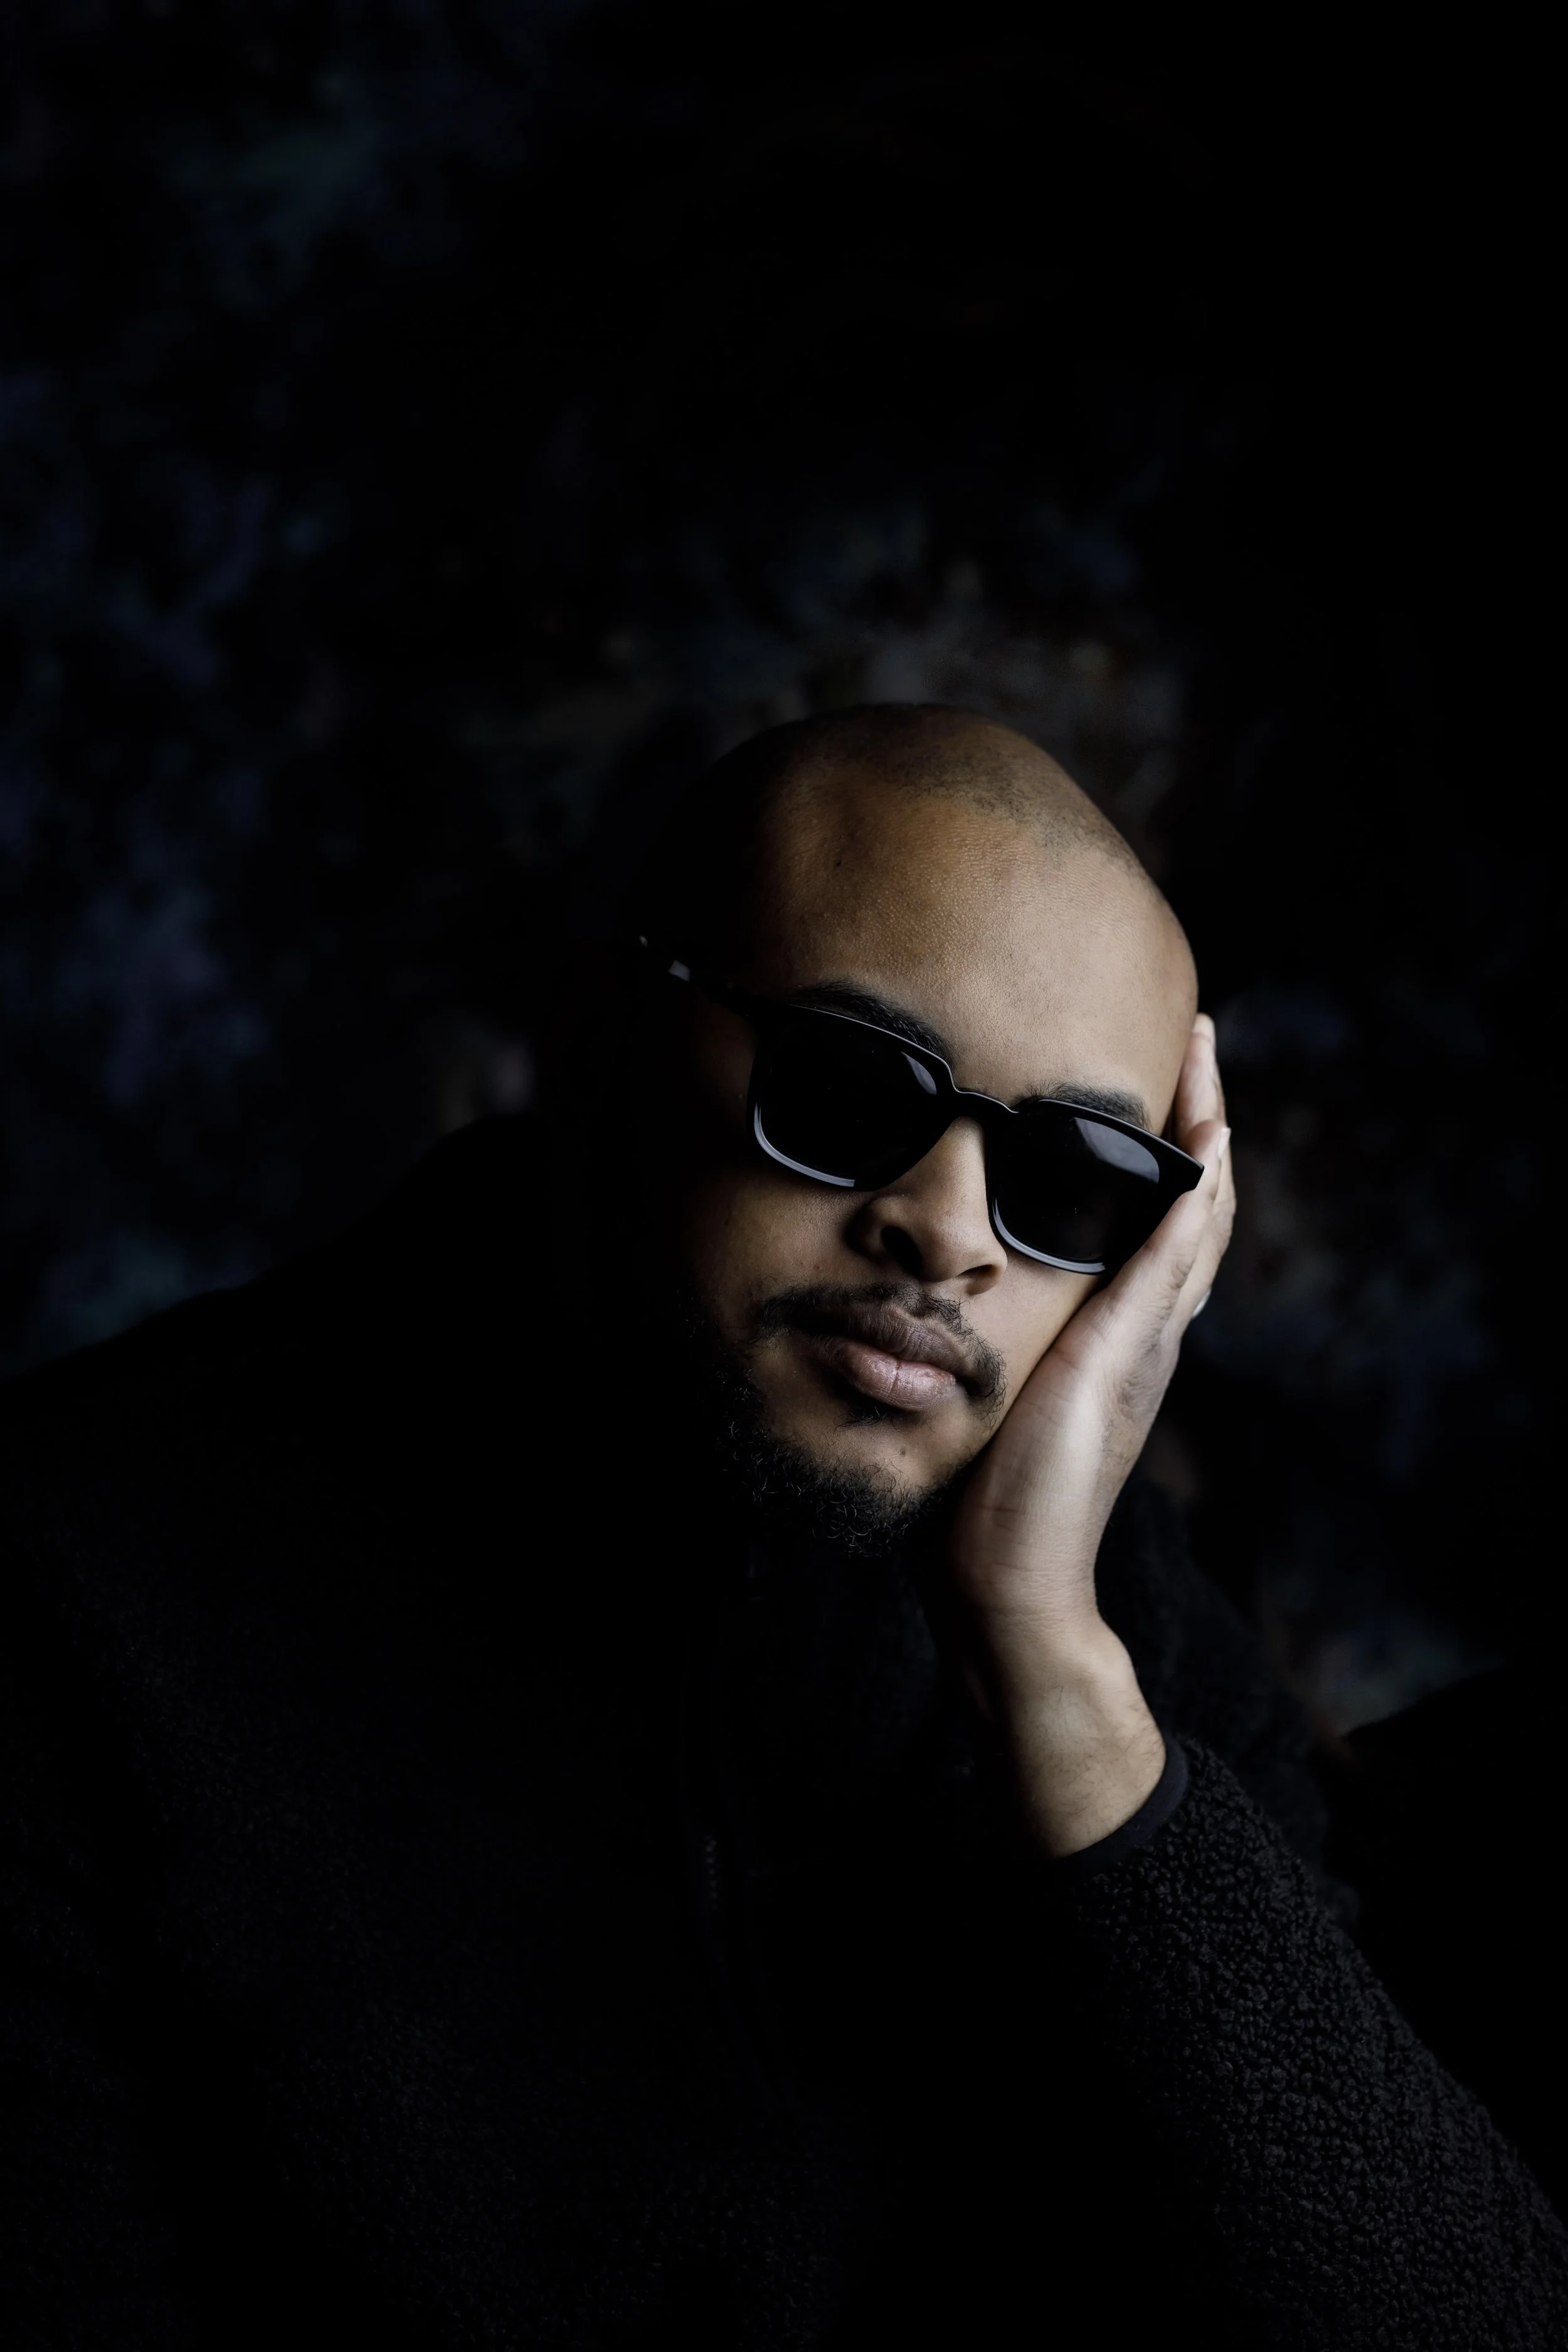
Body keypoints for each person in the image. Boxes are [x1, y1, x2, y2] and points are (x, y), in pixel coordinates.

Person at [2, 705, 1562, 2348]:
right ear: (603, 1042)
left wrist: (1049, 1674)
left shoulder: (1104, 1620)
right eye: (844, 1086)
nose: (948, 1230)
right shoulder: (75, 1596)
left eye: (1072, 1179)